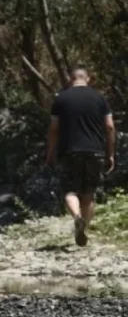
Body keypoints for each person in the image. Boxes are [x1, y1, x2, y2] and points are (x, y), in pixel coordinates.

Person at [45, 67, 116, 247]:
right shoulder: (99, 98)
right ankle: (84, 225)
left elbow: (54, 130)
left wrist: (50, 153)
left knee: (69, 191)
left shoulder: (61, 99)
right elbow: (109, 127)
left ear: (70, 79)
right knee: (88, 193)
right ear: (88, 79)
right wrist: (110, 154)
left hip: (69, 151)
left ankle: (77, 217)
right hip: (94, 151)